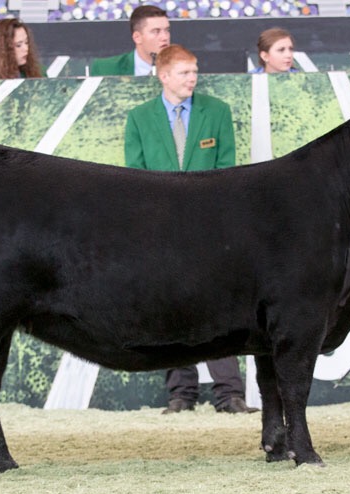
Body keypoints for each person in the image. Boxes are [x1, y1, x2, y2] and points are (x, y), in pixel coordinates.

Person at [124, 44, 256, 414]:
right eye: (185, 72)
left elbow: (227, 171)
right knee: (168, 307)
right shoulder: (139, 117)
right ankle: (181, 394)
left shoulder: (218, 111)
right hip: (159, 229)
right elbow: (133, 177)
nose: (193, 78)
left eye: (195, 71)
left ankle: (229, 394)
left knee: (221, 307)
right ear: (164, 76)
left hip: (209, 226)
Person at [90, 5, 170, 77]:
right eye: (156, 31)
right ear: (137, 37)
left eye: (167, 30)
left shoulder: (176, 67)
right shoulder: (106, 69)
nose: (165, 37)